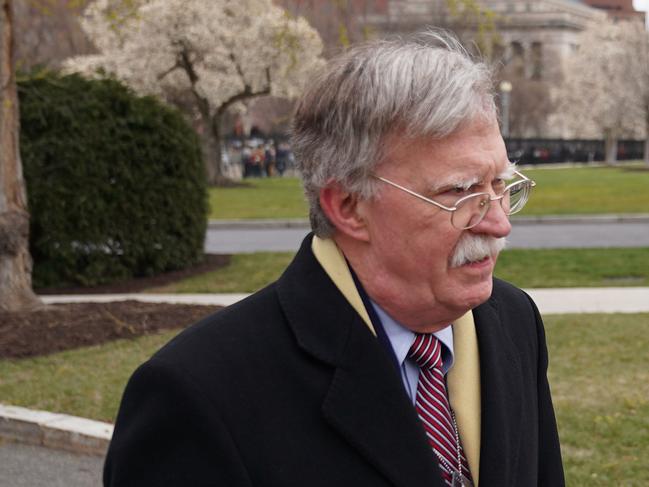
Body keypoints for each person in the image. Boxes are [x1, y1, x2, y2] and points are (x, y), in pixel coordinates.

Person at [104, 31, 564, 487]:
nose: (499, 223)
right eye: (460, 192)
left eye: (501, 186)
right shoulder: (198, 393)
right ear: (347, 207)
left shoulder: (513, 321)